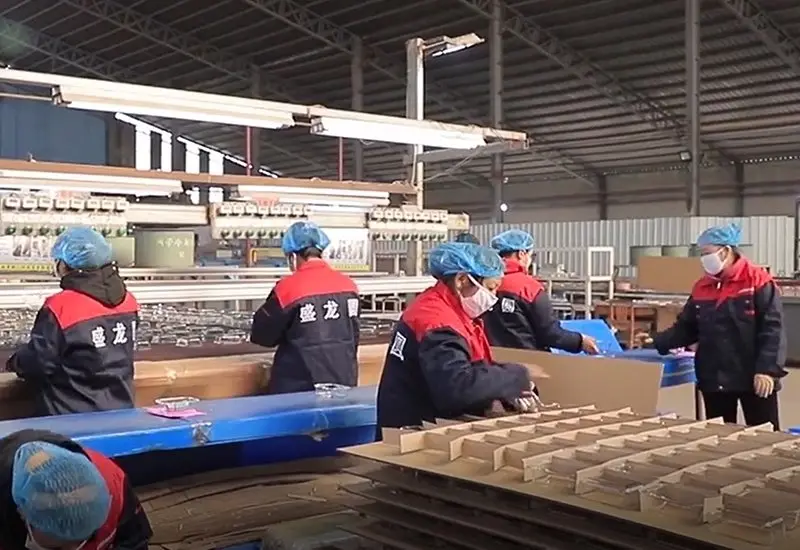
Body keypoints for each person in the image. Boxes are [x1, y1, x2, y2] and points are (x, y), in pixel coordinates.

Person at [376, 242, 534, 430]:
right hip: (414, 431)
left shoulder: (449, 310)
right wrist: (514, 376)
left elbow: (468, 365)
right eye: (490, 288)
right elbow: (457, 388)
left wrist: (503, 388)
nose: (493, 298)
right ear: (462, 280)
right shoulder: (437, 322)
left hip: (418, 421)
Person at [645, 223, 786, 429]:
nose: (704, 260)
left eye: (707, 253)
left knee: (764, 436)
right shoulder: (702, 286)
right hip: (714, 377)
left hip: (754, 377)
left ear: (726, 251)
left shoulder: (758, 281)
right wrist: (656, 340)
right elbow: (687, 327)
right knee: (718, 438)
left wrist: (767, 370)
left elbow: (772, 329)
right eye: (701, 254)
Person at [7, 227, 138, 416]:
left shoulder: (62, 306)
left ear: (65, 265)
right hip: (121, 412)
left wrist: (15, 361)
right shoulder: (128, 300)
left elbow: (40, 363)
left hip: (71, 418)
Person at [250, 221, 360, 393]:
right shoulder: (349, 285)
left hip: (299, 388)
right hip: (344, 383)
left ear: (293, 257)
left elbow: (262, 335)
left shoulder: (288, 289)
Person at [0, 430, 152, 550]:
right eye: (57, 548)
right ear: (23, 513)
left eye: (84, 540)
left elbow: (134, 542)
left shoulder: (114, 485)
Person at [483, 229, 600, 354]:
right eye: (531, 255)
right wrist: (580, 341)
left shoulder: (484, 282)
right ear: (521, 254)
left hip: (491, 358)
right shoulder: (529, 288)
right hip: (527, 361)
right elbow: (550, 334)